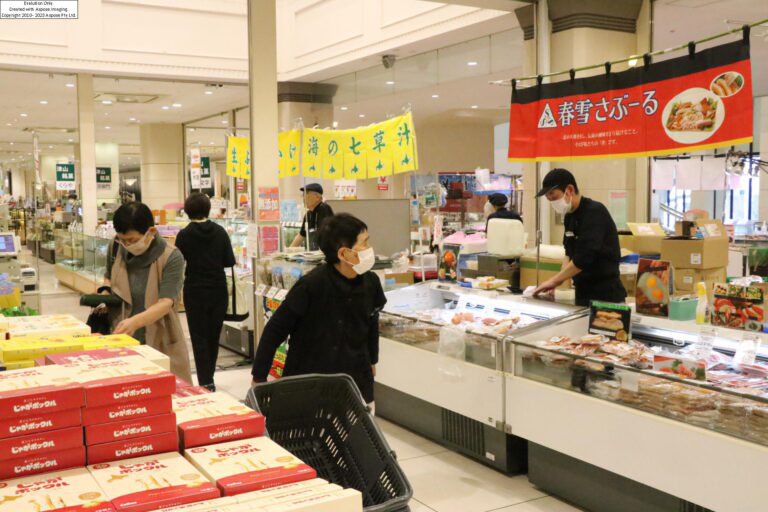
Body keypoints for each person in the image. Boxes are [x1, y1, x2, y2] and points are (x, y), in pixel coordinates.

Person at [252, 213, 386, 404]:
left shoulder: (371, 282)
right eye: (363, 244)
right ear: (343, 253)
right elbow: (275, 330)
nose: (369, 249)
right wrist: (259, 377)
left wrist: (372, 360)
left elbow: (372, 322)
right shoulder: (311, 285)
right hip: (309, 380)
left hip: (355, 379)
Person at [103, 202, 192, 382]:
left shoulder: (171, 256)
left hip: (161, 338)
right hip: (122, 338)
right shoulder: (115, 247)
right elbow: (108, 278)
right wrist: (103, 294)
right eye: (122, 239)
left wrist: (135, 322)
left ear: (150, 232)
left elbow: (166, 302)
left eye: (133, 240)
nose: (126, 245)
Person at [533, 168, 625, 307]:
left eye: (553, 196)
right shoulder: (569, 216)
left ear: (569, 190)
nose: (552, 203)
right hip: (582, 292)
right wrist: (561, 282)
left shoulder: (594, 212)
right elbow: (569, 253)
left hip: (606, 294)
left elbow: (584, 257)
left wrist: (554, 280)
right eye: (549, 199)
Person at [175, 193, 236, 391]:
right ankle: (209, 376)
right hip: (218, 289)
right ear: (209, 209)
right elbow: (229, 261)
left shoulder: (184, 235)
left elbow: (178, 262)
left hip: (195, 289)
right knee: (213, 334)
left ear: (187, 211)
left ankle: (205, 381)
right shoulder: (220, 232)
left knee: (198, 335)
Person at [290, 183, 334, 250]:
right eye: (303, 195)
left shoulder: (324, 209)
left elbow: (326, 235)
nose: (303, 198)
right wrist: (289, 250)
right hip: (313, 254)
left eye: (306, 194)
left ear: (317, 197)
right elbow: (301, 235)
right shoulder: (308, 214)